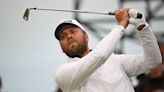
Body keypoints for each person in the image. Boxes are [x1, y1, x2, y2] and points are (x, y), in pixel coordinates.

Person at [54, 8, 162, 92]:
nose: (68, 36)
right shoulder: (62, 74)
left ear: (86, 36)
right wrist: (121, 24)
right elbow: (99, 56)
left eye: (73, 31)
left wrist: (142, 27)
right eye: (63, 36)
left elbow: (153, 60)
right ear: (61, 47)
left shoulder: (115, 60)